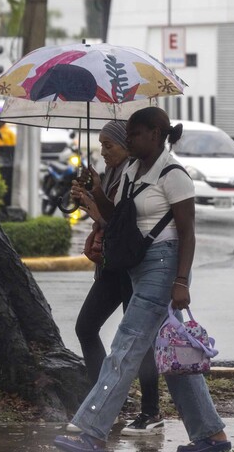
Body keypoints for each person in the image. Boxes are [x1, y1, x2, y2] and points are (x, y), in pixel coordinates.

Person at [55, 107, 230, 452]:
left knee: (126, 345)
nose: (129, 140)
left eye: (134, 134)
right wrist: (96, 190)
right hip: (139, 266)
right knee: (174, 354)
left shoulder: (174, 174)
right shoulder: (132, 171)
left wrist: (181, 281)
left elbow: (188, 233)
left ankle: (92, 433)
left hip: (165, 265)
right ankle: (212, 437)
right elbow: (116, 216)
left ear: (155, 134)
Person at [70, 120, 163, 436]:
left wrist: (94, 203)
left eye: (108, 145)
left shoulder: (132, 174)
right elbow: (105, 218)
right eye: (100, 145)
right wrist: (85, 198)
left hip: (130, 265)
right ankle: (102, 405)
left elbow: (121, 222)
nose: (103, 151)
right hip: (111, 265)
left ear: (126, 145)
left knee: (139, 338)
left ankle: (151, 411)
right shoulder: (109, 174)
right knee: (86, 327)